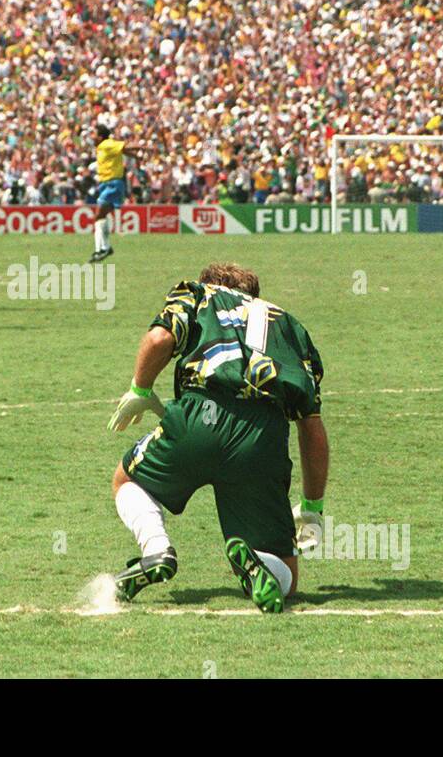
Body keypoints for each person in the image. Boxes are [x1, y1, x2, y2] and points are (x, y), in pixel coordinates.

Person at [106, 262, 328, 613]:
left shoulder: (198, 294)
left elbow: (160, 338)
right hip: (263, 436)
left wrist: (140, 387)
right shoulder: (291, 326)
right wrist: (313, 508)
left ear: (210, 282)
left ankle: (156, 550)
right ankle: (257, 564)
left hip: (201, 415)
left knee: (126, 480)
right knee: (287, 575)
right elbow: (312, 428)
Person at [89, 123, 139, 263]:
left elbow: (125, 146)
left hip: (113, 183)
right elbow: (123, 151)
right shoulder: (102, 147)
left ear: (100, 136)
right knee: (101, 216)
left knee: (99, 215)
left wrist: (143, 148)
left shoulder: (107, 144)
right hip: (106, 184)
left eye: (94, 133)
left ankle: (103, 249)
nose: (91, 136)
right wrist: (136, 156)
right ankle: (103, 249)